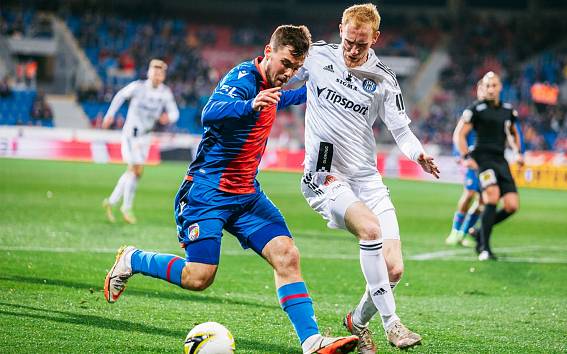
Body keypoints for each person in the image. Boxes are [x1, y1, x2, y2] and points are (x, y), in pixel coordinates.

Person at [103, 25, 358, 354]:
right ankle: (133, 259)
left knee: (287, 256)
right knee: (199, 277)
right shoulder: (243, 78)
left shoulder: (273, 85)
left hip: (247, 196)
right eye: (285, 64)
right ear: (269, 51)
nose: (289, 72)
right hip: (207, 192)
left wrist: (328, 91)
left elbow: (291, 96)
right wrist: (250, 105)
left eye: (296, 68)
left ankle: (311, 342)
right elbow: (209, 113)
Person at [293, 4, 439, 352]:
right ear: (340, 28)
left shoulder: (384, 79)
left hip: (366, 178)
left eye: (362, 43)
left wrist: (417, 153)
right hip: (324, 174)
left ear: (375, 38)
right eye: (348, 40)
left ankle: (356, 322)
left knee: (394, 269)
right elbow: (281, 77)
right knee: (371, 230)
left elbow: (402, 132)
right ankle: (393, 324)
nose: (353, 49)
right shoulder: (316, 57)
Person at [454, 71, 524, 261]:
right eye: (487, 86)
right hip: (483, 160)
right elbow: (459, 134)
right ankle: (485, 248)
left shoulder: (508, 111)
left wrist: (518, 153)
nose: (491, 89)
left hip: (501, 160)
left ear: (500, 87)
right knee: (491, 196)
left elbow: (513, 134)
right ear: (483, 88)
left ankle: (478, 231)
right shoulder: (475, 109)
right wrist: (466, 156)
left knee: (512, 205)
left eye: (494, 85)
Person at [101, 59, 180, 224]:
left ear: (164, 75)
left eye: (160, 72)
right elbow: (120, 95)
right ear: (149, 72)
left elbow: (175, 113)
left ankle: (111, 201)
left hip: (146, 136)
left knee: (135, 172)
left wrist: (168, 117)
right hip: (131, 133)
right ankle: (126, 207)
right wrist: (110, 114)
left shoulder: (165, 92)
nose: (157, 74)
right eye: (155, 71)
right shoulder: (138, 87)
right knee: (135, 169)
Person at [445, 80, 485, 247]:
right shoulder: (471, 113)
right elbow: (459, 135)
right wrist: (461, 155)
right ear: (478, 91)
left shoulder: (494, 113)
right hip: (472, 161)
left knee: (483, 200)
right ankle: (454, 231)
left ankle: (464, 232)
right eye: (483, 89)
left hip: (487, 162)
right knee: (469, 194)